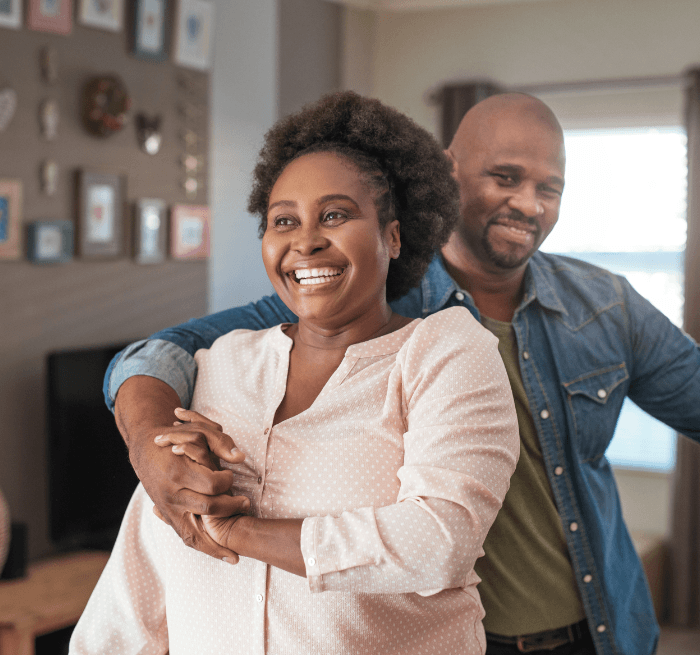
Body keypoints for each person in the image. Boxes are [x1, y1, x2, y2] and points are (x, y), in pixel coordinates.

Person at [103, 92, 700, 655]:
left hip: (592, 626)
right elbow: (159, 354)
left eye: (552, 188)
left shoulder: (604, 307)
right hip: (452, 629)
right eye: (506, 177)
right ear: (449, 172)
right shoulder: (345, 301)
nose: (529, 204)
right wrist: (149, 447)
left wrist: (234, 530)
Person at [71, 91, 520, 655]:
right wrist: (154, 458)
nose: (305, 240)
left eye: (335, 215)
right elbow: (141, 578)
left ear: (394, 236)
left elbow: (438, 543)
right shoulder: (222, 362)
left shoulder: (444, 351)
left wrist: (239, 532)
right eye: (284, 220)